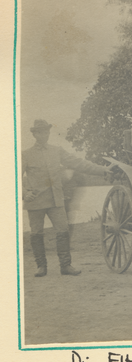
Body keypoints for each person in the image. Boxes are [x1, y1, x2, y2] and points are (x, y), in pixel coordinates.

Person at [22, 119, 112, 277]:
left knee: (63, 231)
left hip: (56, 200)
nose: (44, 134)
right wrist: (24, 193)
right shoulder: (26, 154)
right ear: (34, 134)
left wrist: (103, 170)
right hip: (35, 201)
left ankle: (65, 265)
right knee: (36, 233)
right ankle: (41, 266)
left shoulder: (57, 151)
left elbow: (79, 163)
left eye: (47, 131)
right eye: (40, 132)